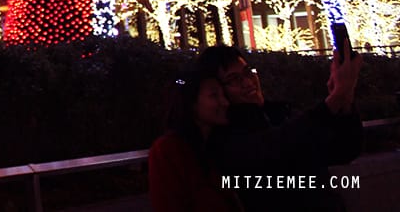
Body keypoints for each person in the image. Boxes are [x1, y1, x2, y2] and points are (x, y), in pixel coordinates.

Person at [197, 44, 363, 212]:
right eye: (234, 79)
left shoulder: (278, 113)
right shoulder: (225, 138)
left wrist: (346, 98)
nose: (247, 83)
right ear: (218, 91)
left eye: (247, 72)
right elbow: (277, 146)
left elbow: (343, 150)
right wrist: (337, 97)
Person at [149, 70, 241, 211]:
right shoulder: (168, 150)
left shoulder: (219, 146)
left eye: (223, 95)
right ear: (191, 103)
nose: (225, 103)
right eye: (214, 95)